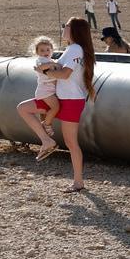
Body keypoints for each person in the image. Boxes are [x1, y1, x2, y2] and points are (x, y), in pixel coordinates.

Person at [23, 17, 95, 190]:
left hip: (70, 100)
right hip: (60, 97)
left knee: (71, 143)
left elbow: (64, 74)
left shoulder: (75, 49)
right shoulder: (71, 49)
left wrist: (45, 71)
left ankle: (78, 182)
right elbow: (58, 71)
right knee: (23, 109)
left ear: (74, 30)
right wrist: (46, 69)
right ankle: (46, 141)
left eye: (66, 26)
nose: (63, 28)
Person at [29, 36, 61, 136]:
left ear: (52, 50)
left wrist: (54, 64)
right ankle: (46, 124)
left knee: (50, 109)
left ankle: (46, 124)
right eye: (42, 50)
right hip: (45, 91)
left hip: (50, 90)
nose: (45, 52)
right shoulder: (41, 60)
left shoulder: (50, 60)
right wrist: (53, 64)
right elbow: (40, 67)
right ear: (37, 52)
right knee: (56, 108)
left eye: (48, 49)